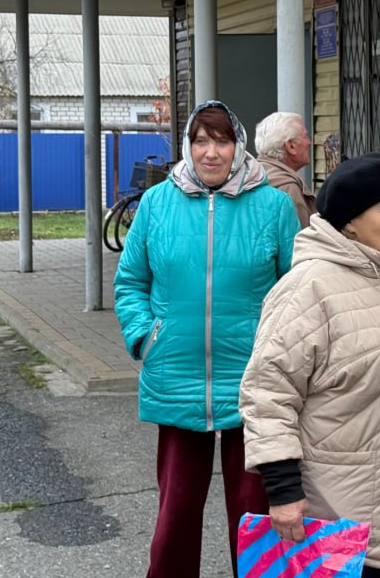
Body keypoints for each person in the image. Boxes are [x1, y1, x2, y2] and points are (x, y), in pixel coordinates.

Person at [113, 101, 301, 578]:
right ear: (187, 146)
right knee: (176, 512)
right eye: (201, 141)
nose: (211, 152)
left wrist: (280, 353)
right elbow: (130, 281)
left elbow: (296, 290)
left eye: (221, 140)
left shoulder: (273, 206)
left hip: (254, 382)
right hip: (176, 374)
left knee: (253, 515)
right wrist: (145, 336)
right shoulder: (157, 204)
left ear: (238, 146)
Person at [239, 153, 380, 578]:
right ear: (350, 221)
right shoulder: (307, 288)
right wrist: (282, 491)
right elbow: (267, 394)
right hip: (337, 522)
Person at [254, 111, 316, 228]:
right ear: (290, 146)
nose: (309, 142)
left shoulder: (248, 178)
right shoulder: (288, 188)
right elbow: (299, 242)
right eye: (305, 136)